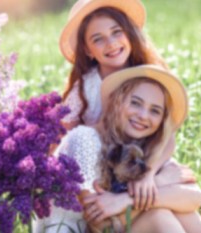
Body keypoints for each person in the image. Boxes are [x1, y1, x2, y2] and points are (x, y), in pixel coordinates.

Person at [34, 65, 201, 232]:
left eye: (155, 111)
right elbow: (100, 223)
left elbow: (195, 197)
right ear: (117, 101)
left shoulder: (142, 144)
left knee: (182, 212)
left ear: (161, 122)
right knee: (159, 215)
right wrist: (161, 184)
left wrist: (126, 199)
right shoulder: (85, 139)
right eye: (135, 103)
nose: (143, 116)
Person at [58, 0, 174, 213]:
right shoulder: (84, 88)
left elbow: (168, 136)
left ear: (129, 33)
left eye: (116, 32)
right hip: (99, 174)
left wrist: (148, 175)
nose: (111, 44)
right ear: (88, 49)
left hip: (145, 161)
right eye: (98, 39)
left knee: (177, 187)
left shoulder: (149, 76)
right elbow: (63, 142)